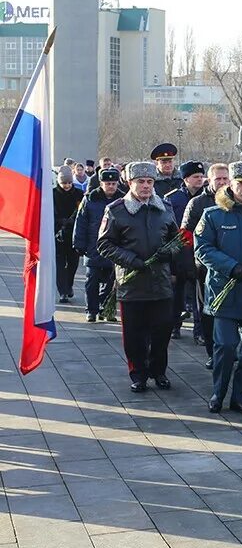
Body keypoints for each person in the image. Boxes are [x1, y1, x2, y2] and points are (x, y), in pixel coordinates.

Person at [97, 161, 179, 393]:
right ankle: (139, 374)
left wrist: (168, 251)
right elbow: (104, 244)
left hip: (160, 283)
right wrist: (131, 260)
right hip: (131, 283)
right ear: (130, 183)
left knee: (162, 332)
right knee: (134, 335)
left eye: (150, 182)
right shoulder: (116, 210)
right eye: (140, 182)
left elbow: (177, 239)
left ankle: (159, 371)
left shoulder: (165, 207)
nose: (145, 186)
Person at [196, 161, 242, 415]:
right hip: (224, 291)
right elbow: (203, 248)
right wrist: (231, 267)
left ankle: (241, 397)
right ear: (231, 184)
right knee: (226, 347)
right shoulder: (213, 215)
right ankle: (219, 393)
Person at [182, 163, 230, 357]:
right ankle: (209, 346)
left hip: (231, 266)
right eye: (218, 179)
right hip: (204, 266)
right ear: (209, 180)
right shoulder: (197, 203)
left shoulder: (235, 202)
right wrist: (190, 265)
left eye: (225, 179)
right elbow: (185, 236)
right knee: (207, 309)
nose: (222, 182)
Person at [73, 167, 126, 321]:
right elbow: (81, 222)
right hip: (93, 246)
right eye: (108, 183)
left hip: (114, 248)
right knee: (92, 280)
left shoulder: (122, 200)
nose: (111, 186)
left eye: (114, 183)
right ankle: (91, 310)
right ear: (101, 184)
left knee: (112, 281)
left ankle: (105, 308)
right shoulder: (90, 199)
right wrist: (79, 244)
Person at [166, 161, 207, 339]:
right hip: (178, 250)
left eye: (201, 176)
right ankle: (174, 324)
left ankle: (199, 331)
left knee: (198, 294)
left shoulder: (208, 198)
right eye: (195, 177)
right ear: (186, 179)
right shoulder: (173, 198)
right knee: (177, 292)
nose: (199, 180)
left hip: (199, 251)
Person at [54, 166, 84, 303]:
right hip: (58, 233)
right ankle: (63, 291)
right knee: (59, 264)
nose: (66, 186)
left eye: (69, 183)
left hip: (74, 233)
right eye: (64, 183)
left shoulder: (79, 194)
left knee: (73, 263)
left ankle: (69, 285)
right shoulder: (52, 194)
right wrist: (60, 221)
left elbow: (83, 212)